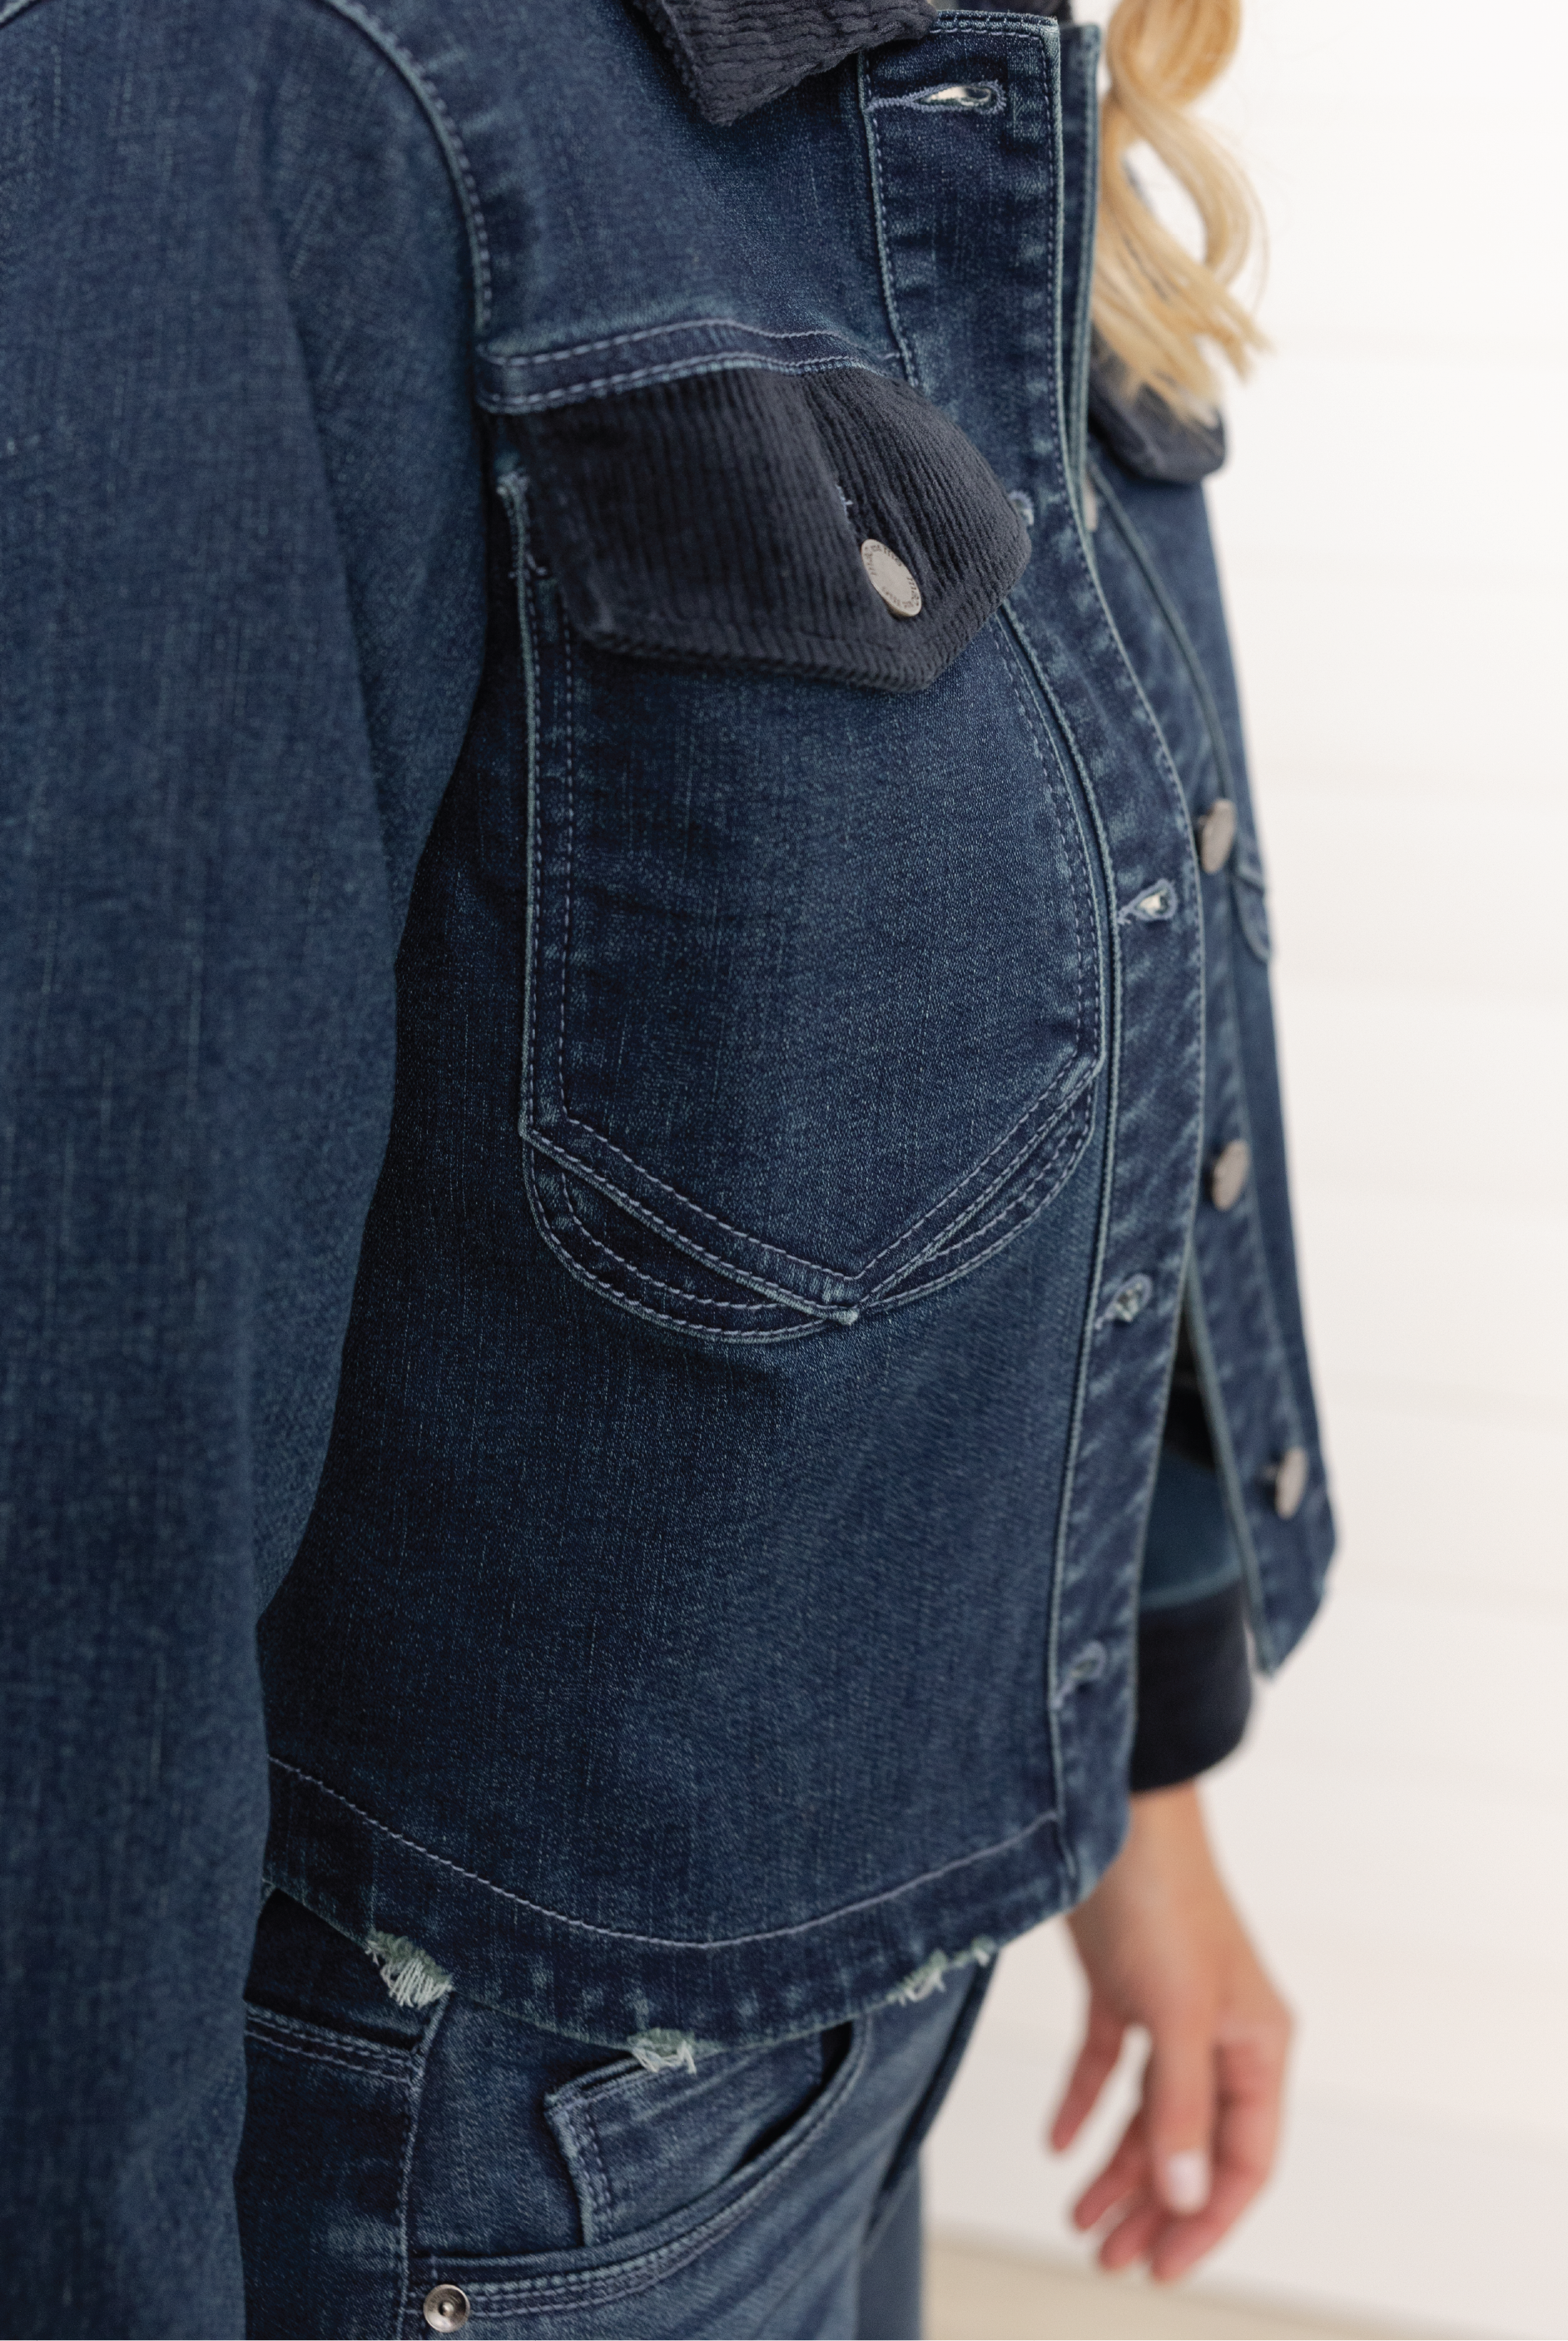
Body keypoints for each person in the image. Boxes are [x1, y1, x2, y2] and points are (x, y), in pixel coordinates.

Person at [0, 0, 1334, 2332]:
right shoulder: (262, 82)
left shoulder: (988, 65)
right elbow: (92, 1456)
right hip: (462, 2166)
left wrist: (1145, 1785)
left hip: (842, 2024)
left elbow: (1141, 931)